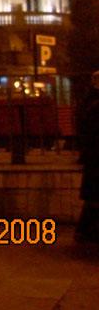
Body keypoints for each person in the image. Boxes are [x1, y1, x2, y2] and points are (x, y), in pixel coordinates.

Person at [76, 70, 99, 243]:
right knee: (94, 196)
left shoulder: (87, 100)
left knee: (93, 197)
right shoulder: (94, 103)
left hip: (91, 155)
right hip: (95, 155)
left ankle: (85, 230)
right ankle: (86, 231)